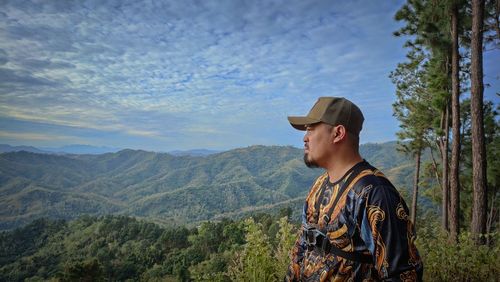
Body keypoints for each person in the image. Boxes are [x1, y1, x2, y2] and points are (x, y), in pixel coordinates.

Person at [284, 97, 423, 281]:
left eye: (311, 128)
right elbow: (300, 249)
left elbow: (403, 275)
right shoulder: (319, 185)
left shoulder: (375, 194)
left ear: (338, 133)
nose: (305, 137)